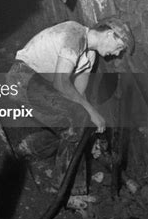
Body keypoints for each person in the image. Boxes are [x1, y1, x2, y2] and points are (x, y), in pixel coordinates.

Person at [7, 18, 135, 182]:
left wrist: (91, 122)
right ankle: (69, 191)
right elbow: (61, 83)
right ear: (110, 34)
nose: (117, 54)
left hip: (40, 86)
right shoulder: (75, 34)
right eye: (119, 48)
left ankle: (31, 148)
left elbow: (78, 97)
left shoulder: (90, 56)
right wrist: (91, 112)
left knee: (76, 123)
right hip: (22, 79)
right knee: (78, 118)